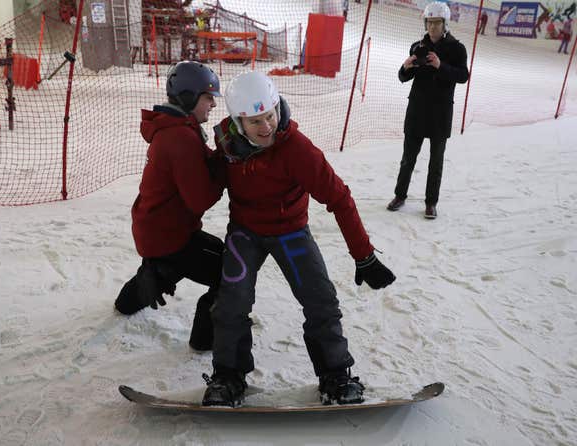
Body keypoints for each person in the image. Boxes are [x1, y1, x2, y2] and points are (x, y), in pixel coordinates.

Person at [200, 71, 396, 407]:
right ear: (237, 122)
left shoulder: (297, 149)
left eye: (270, 115)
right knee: (233, 300)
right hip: (245, 233)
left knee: (320, 298)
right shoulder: (227, 147)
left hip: (290, 231)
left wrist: (363, 255)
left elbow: (339, 197)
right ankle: (228, 376)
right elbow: (203, 188)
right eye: (255, 121)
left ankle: (335, 374)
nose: (266, 127)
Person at [114, 61, 225, 352]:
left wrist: (219, 156)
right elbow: (200, 198)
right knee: (231, 271)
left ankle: (147, 281)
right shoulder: (180, 137)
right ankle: (206, 340)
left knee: (174, 265)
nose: (213, 103)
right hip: (169, 236)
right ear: (189, 97)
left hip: (157, 228)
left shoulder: (176, 127)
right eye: (207, 96)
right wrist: (225, 168)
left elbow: (196, 169)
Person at [387, 1, 469, 219]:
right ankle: (400, 196)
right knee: (408, 159)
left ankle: (431, 203)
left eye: (437, 23)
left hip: (440, 115)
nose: (433, 27)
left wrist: (441, 66)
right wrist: (405, 68)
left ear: (445, 23)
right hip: (416, 111)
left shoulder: (457, 48)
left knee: (436, 162)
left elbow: (463, 76)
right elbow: (404, 77)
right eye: (430, 22)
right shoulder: (418, 46)